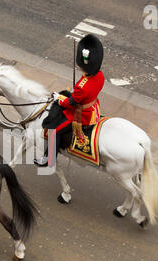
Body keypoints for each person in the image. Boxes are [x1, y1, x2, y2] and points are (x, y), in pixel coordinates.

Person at [34, 34, 105, 167]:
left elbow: (70, 103)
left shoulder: (82, 87)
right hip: (94, 108)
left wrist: (58, 97)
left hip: (81, 115)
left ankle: (49, 159)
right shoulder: (99, 76)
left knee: (54, 131)